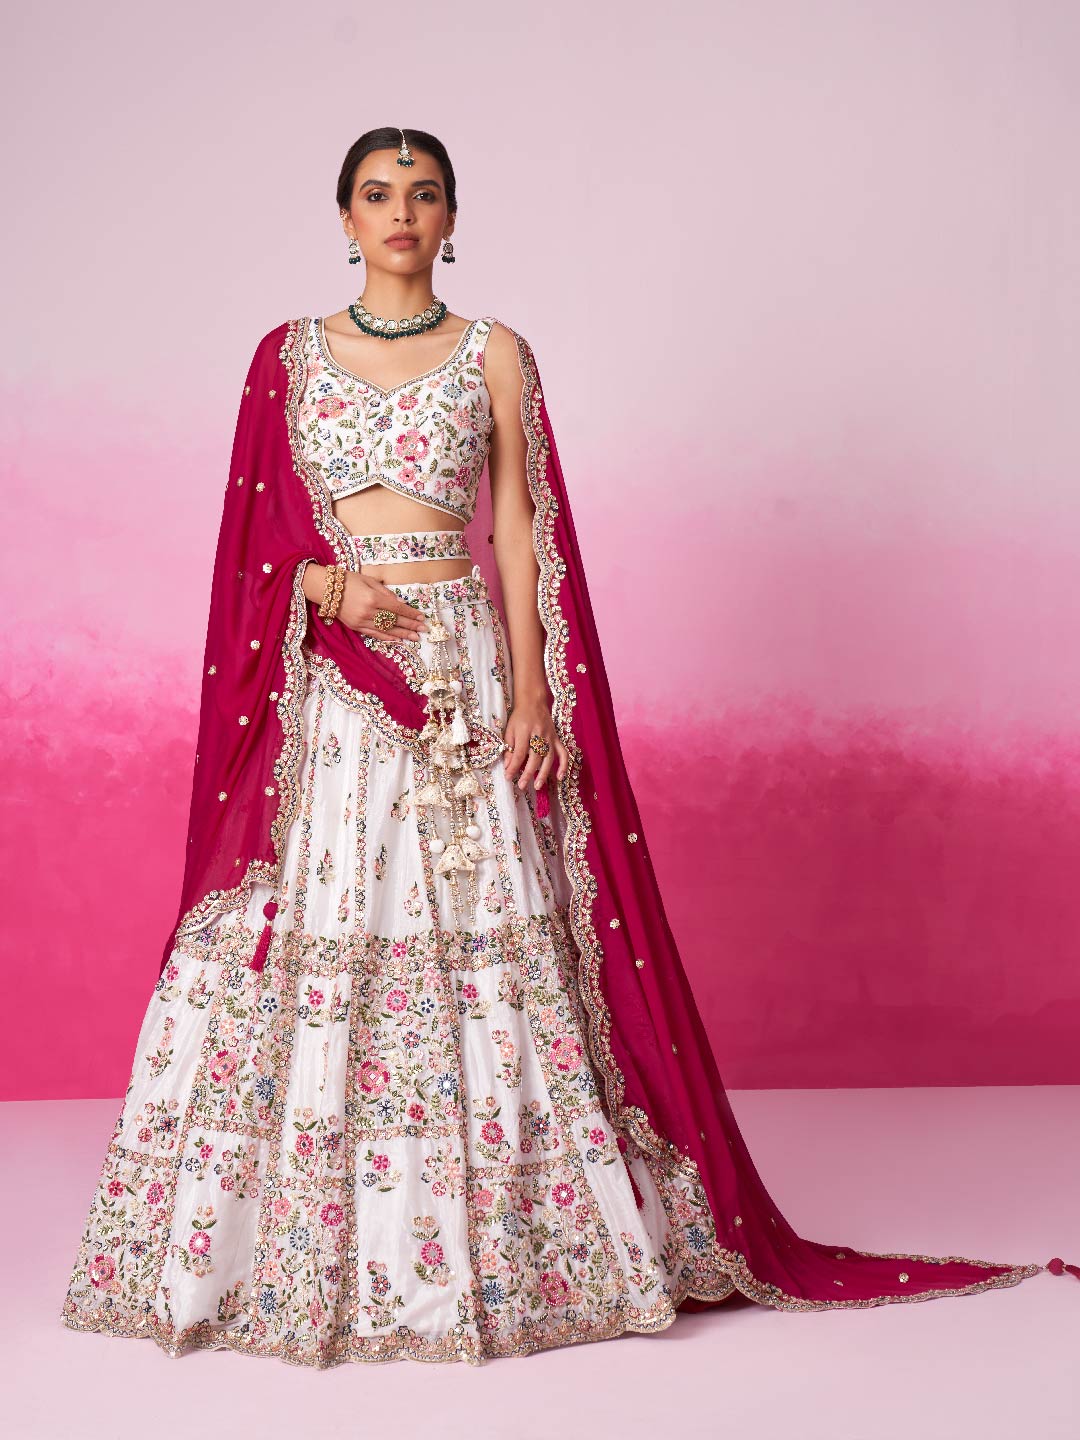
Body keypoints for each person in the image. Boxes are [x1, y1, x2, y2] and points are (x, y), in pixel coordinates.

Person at [60, 126, 1071, 1370]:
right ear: (344, 218)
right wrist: (328, 589)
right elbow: (254, 547)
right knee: (337, 915)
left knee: (485, 924)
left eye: (423, 193)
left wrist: (535, 695)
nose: (400, 212)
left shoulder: (495, 352)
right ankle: (314, 1247)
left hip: (465, 665)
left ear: (451, 220)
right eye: (377, 193)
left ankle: (522, 1249)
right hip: (340, 684)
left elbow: (518, 529)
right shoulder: (285, 357)